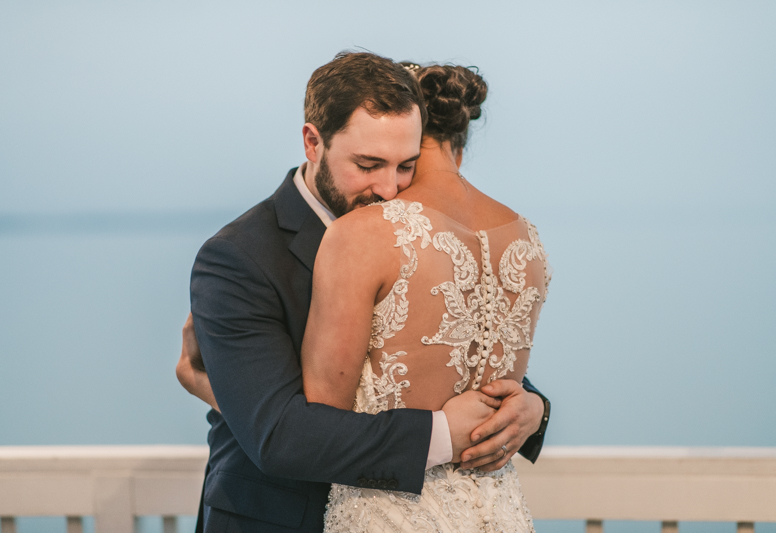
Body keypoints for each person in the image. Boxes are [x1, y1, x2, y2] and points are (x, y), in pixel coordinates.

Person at [178, 52, 550, 533]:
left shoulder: (407, 232)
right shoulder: (238, 257)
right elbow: (277, 437)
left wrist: (532, 409)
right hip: (280, 520)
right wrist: (443, 434)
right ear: (314, 143)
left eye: (405, 166)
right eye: (369, 164)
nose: (391, 190)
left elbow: (439, 352)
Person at [301, 62, 550, 531]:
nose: (389, 185)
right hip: (499, 512)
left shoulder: (362, 234)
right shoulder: (527, 239)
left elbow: (321, 419)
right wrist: (534, 407)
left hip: (389, 512)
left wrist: (209, 381)